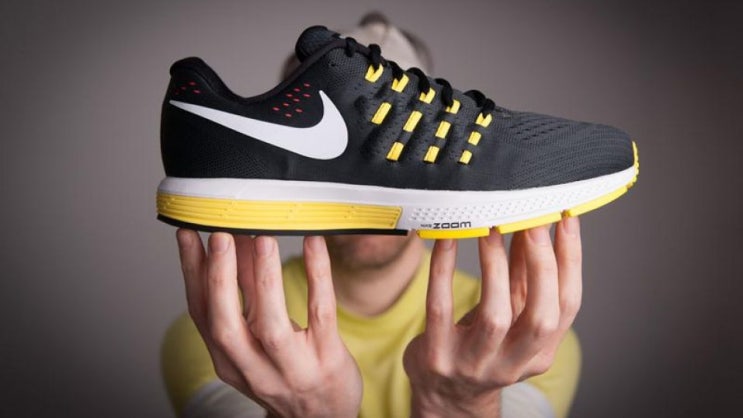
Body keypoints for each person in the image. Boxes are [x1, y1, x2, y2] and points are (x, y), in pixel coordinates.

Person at [161, 16, 581, 418]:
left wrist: (458, 405)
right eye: (362, 124)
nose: (372, 163)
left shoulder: (523, 326)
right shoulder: (225, 330)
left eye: (395, 125)